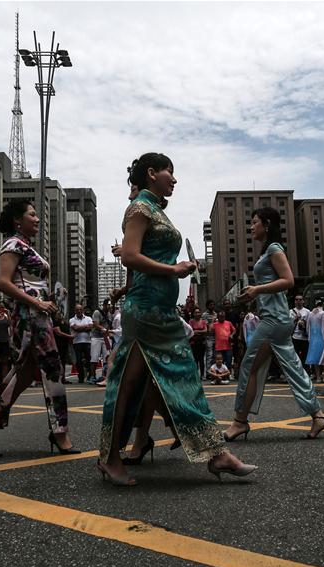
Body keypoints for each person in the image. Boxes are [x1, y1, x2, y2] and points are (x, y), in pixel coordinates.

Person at [97, 152, 255, 485]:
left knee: (169, 380)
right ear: (152, 173)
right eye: (170, 171)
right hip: (144, 312)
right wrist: (174, 269)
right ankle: (111, 458)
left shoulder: (154, 210)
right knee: (128, 384)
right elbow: (129, 256)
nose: (174, 178)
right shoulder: (139, 208)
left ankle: (215, 453)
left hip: (160, 312)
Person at [0, 199, 79, 458]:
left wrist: (47, 302)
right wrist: (38, 303)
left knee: (25, 375)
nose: (38, 218)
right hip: (30, 317)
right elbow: (3, 283)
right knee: (53, 370)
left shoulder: (27, 246)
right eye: (32, 214)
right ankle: (60, 432)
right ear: (18, 221)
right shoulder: (13, 244)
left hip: (37, 315)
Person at [223, 208, 324, 442]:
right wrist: (253, 295)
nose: (251, 227)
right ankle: (318, 415)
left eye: (254, 222)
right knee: (292, 367)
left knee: (248, 366)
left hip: (274, 320)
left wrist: (257, 289)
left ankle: (239, 422)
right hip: (276, 319)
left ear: (267, 224)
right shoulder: (267, 251)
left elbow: (289, 281)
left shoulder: (274, 248)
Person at [305, 298, 324, 383]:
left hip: (313, 339)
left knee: (315, 358)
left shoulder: (310, 314)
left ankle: (318, 377)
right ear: (323, 304)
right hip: (321, 338)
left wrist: (310, 337)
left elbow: (308, 327)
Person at [69, 304, 93, 384]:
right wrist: (85, 327)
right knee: (78, 361)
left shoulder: (88, 318)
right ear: (75, 311)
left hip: (87, 342)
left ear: (82, 310)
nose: (79, 311)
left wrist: (79, 328)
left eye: (80, 309)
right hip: (77, 342)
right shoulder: (71, 320)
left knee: (89, 360)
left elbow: (90, 327)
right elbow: (75, 328)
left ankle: (90, 375)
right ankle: (81, 377)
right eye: (77, 309)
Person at [90, 299, 112, 383]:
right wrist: (103, 329)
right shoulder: (97, 312)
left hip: (105, 337)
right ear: (104, 305)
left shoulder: (110, 314)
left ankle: (104, 375)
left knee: (107, 357)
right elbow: (95, 324)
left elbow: (109, 325)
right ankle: (92, 376)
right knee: (94, 357)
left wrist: (109, 332)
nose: (109, 307)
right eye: (108, 305)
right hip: (96, 337)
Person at [290, 295, 310, 372]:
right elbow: (288, 324)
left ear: (303, 301)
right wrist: (295, 320)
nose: (299, 301)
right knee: (295, 355)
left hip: (304, 336)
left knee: (305, 355)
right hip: (295, 336)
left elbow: (309, 324)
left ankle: (306, 371)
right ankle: (296, 371)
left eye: (300, 299)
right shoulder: (291, 312)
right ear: (295, 301)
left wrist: (304, 325)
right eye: (297, 299)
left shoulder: (307, 312)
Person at [188, 308, 208, 379]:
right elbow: (190, 331)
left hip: (202, 343)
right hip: (194, 343)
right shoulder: (191, 321)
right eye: (196, 312)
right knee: (195, 360)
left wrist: (196, 331)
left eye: (198, 312)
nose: (197, 314)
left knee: (201, 359)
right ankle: (196, 375)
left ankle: (202, 375)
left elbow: (205, 330)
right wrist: (199, 332)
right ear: (193, 314)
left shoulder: (203, 321)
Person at [202, 299, 218, 371]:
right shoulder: (204, 315)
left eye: (213, 305)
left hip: (216, 336)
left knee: (215, 355)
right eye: (211, 305)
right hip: (208, 337)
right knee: (209, 355)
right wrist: (212, 321)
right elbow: (206, 326)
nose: (212, 306)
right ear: (207, 306)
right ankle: (208, 371)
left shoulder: (215, 314)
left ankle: (214, 370)